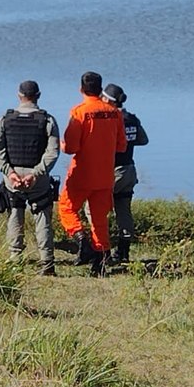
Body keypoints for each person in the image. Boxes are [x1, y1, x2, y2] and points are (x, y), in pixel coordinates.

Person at [56, 71, 127, 277]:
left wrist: (61, 145)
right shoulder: (115, 113)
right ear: (100, 89)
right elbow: (121, 146)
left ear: (81, 89)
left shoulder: (79, 112)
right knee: (99, 219)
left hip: (82, 174)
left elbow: (70, 148)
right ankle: (101, 260)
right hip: (105, 175)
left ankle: (82, 242)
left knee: (66, 209)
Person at [0, 80, 60, 275]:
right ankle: (47, 263)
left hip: (13, 178)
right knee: (42, 217)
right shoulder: (47, 120)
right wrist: (36, 174)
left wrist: (9, 172)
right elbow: (53, 152)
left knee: (14, 214)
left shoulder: (6, 118)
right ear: (38, 95)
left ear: (19, 95)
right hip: (37, 177)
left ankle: (15, 260)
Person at [102, 83, 149, 266]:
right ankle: (124, 251)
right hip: (129, 169)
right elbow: (143, 140)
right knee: (124, 211)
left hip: (112, 172)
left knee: (96, 211)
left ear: (107, 99)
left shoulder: (111, 119)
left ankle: (102, 250)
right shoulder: (132, 119)